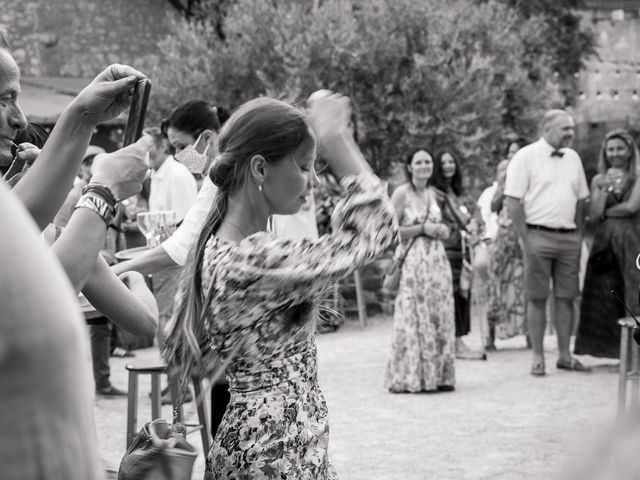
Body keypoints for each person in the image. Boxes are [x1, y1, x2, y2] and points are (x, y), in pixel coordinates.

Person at [162, 91, 397, 479]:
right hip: (276, 452)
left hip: (267, 444)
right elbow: (379, 231)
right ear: (259, 169)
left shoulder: (221, 248)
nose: (313, 179)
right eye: (304, 166)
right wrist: (339, 142)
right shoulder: (256, 260)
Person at [504, 109, 591, 376]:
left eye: (572, 128)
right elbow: (512, 201)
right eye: (565, 128)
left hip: (568, 237)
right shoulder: (525, 157)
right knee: (537, 297)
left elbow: (581, 200)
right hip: (537, 236)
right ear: (547, 128)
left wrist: (577, 235)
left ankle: (565, 356)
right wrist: (526, 239)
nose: (570, 133)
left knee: (567, 297)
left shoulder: (573, 158)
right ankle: (538, 357)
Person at [384, 148, 455, 393]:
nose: (424, 165)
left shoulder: (434, 194)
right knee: (415, 316)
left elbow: (442, 225)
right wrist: (422, 228)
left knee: (439, 316)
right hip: (413, 264)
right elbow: (389, 231)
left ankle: (439, 377)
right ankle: (412, 377)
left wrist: (441, 230)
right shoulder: (402, 193)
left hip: (437, 263)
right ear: (410, 166)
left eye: (427, 161)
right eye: (419, 162)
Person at [575, 130, 640, 359]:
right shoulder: (598, 179)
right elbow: (593, 215)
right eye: (611, 149)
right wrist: (603, 190)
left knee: (633, 292)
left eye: (620, 148)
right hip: (604, 243)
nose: (615, 153)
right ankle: (612, 351)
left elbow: (631, 207)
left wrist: (607, 212)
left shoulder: (638, 176)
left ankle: (636, 354)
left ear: (630, 150)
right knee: (606, 294)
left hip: (633, 242)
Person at [431, 149, 486, 360]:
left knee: (462, 293)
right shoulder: (435, 193)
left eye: (451, 162)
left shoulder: (462, 192)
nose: (447, 166)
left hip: (462, 253)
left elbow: (476, 215)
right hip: (443, 250)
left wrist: (475, 224)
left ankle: (459, 340)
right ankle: (449, 341)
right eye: (443, 162)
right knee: (447, 294)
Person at [485, 139, 527, 350]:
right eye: (510, 151)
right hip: (503, 237)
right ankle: (490, 337)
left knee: (524, 284)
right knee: (497, 285)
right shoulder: (504, 175)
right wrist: (503, 183)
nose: (513, 155)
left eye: (517, 151)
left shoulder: (531, 174)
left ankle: (529, 336)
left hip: (525, 236)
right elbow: (493, 206)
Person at [147, 126, 198, 222]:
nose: (143, 152)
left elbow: (184, 223)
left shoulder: (177, 175)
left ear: (162, 146)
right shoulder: (156, 175)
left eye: (147, 147)